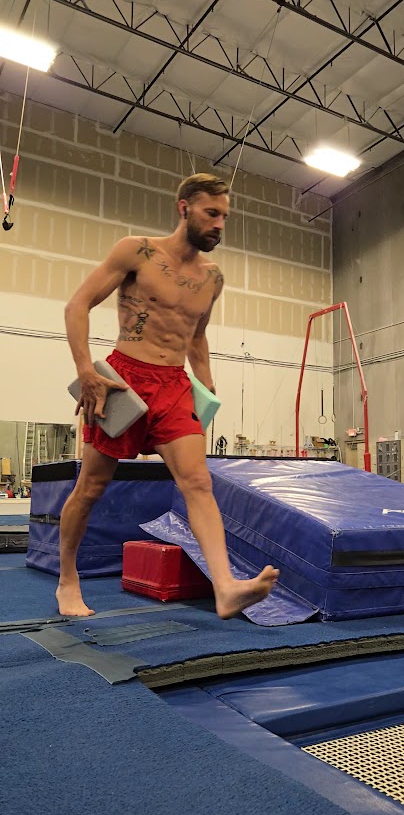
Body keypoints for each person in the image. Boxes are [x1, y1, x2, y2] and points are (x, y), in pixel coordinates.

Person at [58, 173, 279, 618]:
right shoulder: (136, 251)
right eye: (211, 213)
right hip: (123, 380)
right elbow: (77, 305)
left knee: (198, 482)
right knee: (92, 486)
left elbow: (196, 335)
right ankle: (67, 578)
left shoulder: (213, 277)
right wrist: (85, 371)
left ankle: (225, 587)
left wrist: (207, 383)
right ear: (184, 208)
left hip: (175, 386)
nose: (219, 224)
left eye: (224, 217)